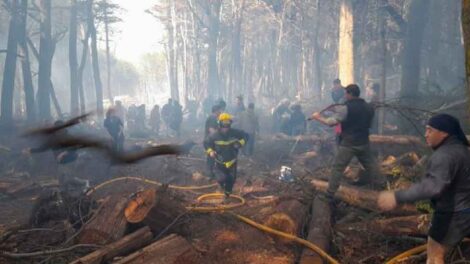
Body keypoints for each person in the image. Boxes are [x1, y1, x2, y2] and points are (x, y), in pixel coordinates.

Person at [378, 114, 470, 264]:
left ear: (444, 132)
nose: (426, 134)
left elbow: (432, 187)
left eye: (430, 130)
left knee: (434, 257)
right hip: (465, 211)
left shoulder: (444, 155)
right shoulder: (464, 150)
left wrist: (397, 196)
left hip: (451, 214)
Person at [310, 84, 384, 199]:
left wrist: (317, 117)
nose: (345, 95)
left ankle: (329, 194)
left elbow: (331, 122)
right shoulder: (369, 107)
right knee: (371, 166)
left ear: (350, 94)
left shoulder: (346, 108)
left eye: (346, 93)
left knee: (338, 168)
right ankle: (383, 187)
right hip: (363, 142)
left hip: (349, 144)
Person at [204, 113, 249, 199]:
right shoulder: (214, 135)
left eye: (228, 124)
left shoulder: (235, 133)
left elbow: (246, 136)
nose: (226, 127)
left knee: (231, 180)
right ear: (219, 124)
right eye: (224, 124)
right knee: (221, 179)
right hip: (219, 163)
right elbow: (206, 143)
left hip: (232, 162)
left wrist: (240, 143)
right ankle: (222, 187)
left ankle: (227, 195)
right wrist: (210, 151)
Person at [204, 105, 222, 179]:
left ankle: (211, 173)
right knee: (211, 157)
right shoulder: (212, 118)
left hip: (210, 140)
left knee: (212, 157)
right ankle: (209, 174)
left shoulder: (214, 118)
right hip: (210, 141)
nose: (220, 112)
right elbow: (211, 130)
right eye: (219, 110)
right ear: (216, 111)